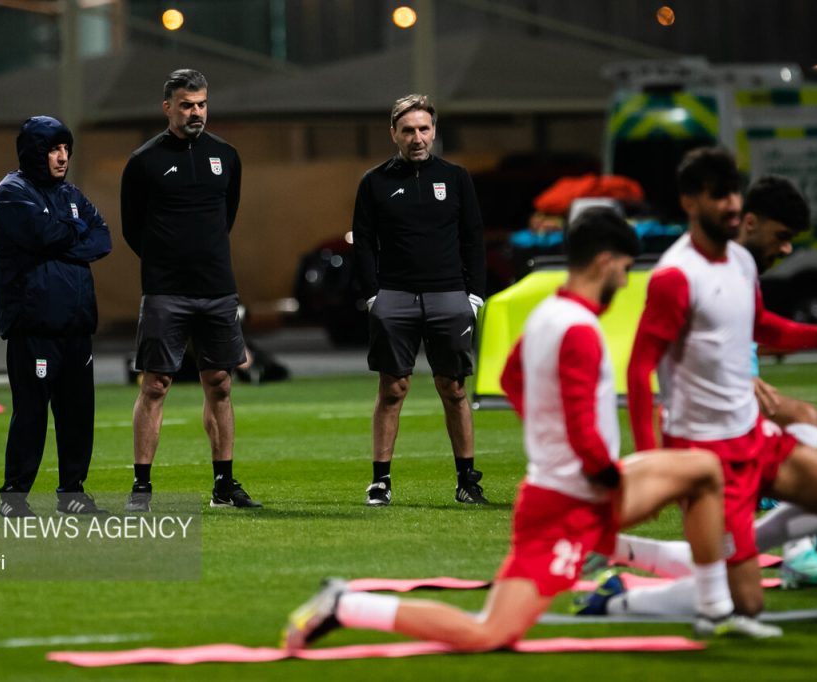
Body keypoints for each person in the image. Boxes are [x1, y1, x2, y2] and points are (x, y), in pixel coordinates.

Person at [284, 208, 773, 652]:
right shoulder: (579, 329)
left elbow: (515, 377)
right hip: (575, 497)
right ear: (605, 262)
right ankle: (709, 604)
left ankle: (346, 604)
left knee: (490, 629)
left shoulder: (546, 316)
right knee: (705, 471)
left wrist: (548, 438)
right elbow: (581, 428)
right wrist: (607, 480)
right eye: (625, 270)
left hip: (550, 491)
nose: (625, 282)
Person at [579, 148, 817, 622]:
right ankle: (616, 601)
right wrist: (657, 462)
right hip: (707, 456)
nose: (732, 204)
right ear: (691, 201)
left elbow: (761, 327)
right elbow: (638, 368)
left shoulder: (741, 262)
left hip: (755, 438)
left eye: (734, 191)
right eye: (719, 195)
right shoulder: (676, 275)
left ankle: (734, 550)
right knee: (743, 604)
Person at [121, 69, 259, 511]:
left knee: (219, 382)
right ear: (168, 108)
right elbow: (131, 228)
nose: (195, 112)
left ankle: (224, 485)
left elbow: (228, 215)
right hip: (166, 291)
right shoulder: (144, 161)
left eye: (201, 104)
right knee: (156, 384)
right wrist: (167, 264)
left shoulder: (226, 156)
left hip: (217, 289)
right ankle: (142, 487)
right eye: (186, 105)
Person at [351, 94, 487, 507]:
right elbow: (364, 243)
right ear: (393, 133)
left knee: (454, 388)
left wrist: (475, 296)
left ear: (434, 131)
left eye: (424, 129)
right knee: (393, 388)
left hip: (449, 295)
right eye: (408, 130)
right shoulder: (374, 182)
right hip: (394, 296)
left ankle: (467, 480)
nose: (417, 138)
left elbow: (473, 240)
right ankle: (380, 481)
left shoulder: (457, 177)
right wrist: (374, 296)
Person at [0, 115, 112, 517]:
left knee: (78, 413)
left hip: (76, 324)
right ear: (34, 153)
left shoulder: (70, 194)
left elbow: (102, 239)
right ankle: (14, 496)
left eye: (65, 150)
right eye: (53, 150)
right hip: (34, 325)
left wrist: (68, 232)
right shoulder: (11, 193)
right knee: (31, 413)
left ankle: (72, 491)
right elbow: (47, 236)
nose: (62, 158)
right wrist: (74, 231)